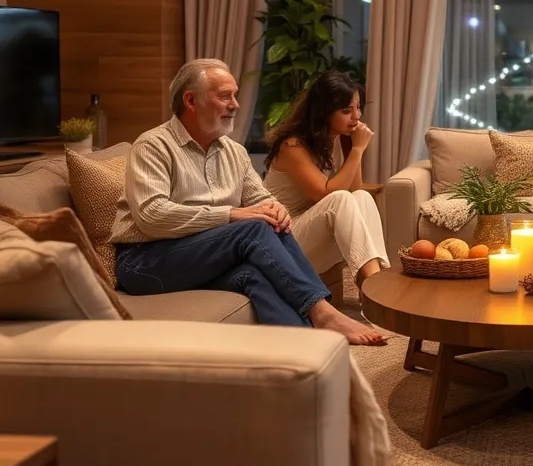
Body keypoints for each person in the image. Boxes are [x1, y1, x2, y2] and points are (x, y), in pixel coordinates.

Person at [108, 58, 386, 346]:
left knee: (252, 271)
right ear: (190, 100)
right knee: (252, 227)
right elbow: (152, 215)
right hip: (145, 262)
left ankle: (305, 347)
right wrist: (231, 215)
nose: (236, 105)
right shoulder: (153, 145)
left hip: (204, 254)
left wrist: (275, 208)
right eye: (225, 96)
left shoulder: (234, 152)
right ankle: (323, 312)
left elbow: (261, 199)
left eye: (235, 95)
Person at [263, 71, 389, 293]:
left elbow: (355, 190)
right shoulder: (292, 146)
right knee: (339, 198)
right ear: (324, 112)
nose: (356, 116)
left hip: (311, 230)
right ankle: (376, 289)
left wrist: (352, 149)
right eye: (346, 111)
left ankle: (373, 279)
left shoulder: (337, 139)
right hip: (282, 238)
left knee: (362, 197)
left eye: (358, 107)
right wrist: (358, 149)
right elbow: (326, 194)